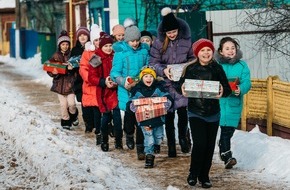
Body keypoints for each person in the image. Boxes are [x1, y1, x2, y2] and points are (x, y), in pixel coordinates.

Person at [179, 38, 232, 188]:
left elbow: (226, 88)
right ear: (197, 53)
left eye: (208, 50)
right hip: (196, 112)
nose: (206, 53)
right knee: (200, 144)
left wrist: (223, 91)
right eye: (202, 50)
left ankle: (204, 176)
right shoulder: (190, 69)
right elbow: (179, 85)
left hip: (213, 113)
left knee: (209, 146)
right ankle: (193, 173)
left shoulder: (217, 68)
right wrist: (181, 88)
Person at [149, 7, 194, 157]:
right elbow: (153, 63)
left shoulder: (186, 41)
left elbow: (192, 58)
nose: (172, 35)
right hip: (166, 84)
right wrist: (163, 70)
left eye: (174, 32)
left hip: (181, 83)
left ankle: (182, 138)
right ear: (165, 33)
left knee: (183, 113)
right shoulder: (158, 43)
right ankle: (171, 146)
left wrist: (186, 68)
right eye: (169, 33)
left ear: (178, 30)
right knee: (168, 116)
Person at [110, 25, 149, 160]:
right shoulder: (120, 53)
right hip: (126, 90)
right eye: (132, 41)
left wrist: (147, 76)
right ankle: (129, 134)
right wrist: (123, 81)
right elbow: (114, 73)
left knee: (141, 120)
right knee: (129, 118)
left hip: (141, 89)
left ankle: (140, 148)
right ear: (127, 41)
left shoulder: (144, 52)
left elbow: (148, 67)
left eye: (137, 40)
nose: (135, 43)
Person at [214, 37, 251, 169]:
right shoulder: (216, 65)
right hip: (218, 103)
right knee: (224, 131)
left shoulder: (242, 66)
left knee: (228, 131)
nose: (230, 51)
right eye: (227, 48)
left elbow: (247, 82)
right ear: (221, 51)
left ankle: (224, 150)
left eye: (233, 48)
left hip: (233, 104)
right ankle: (227, 156)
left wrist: (241, 89)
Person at [128, 66, 173, 168]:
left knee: (158, 137)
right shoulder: (137, 90)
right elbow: (131, 100)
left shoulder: (158, 88)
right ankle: (149, 157)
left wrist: (168, 102)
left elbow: (166, 95)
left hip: (158, 119)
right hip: (145, 119)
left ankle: (157, 145)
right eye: (146, 76)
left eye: (151, 76)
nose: (148, 78)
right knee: (149, 139)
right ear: (141, 78)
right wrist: (132, 106)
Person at [88, 32, 123, 151]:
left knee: (117, 117)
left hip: (116, 91)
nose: (108, 48)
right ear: (100, 47)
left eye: (110, 46)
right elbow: (91, 77)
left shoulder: (117, 56)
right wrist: (104, 81)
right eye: (105, 46)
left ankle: (118, 140)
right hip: (103, 92)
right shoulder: (96, 58)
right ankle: (104, 139)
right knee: (106, 117)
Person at [47, 30, 78, 129]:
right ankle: (65, 121)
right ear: (59, 45)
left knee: (72, 104)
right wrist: (54, 73)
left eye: (67, 44)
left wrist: (73, 70)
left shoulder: (72, 55)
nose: (65, 46)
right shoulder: (55, 56)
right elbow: (49, 68)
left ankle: (73, 115)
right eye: (63, 44)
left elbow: (77, 68)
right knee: (63, 105)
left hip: (70, 85)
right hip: (59, 85)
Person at [79, 24, 102, 144]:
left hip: (102, 86)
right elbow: (83, 68)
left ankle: (101, 131)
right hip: (91, 86)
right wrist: (91, 78)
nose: (98, 42)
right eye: (96, 40)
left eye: (99, 39)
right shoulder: (87, 53)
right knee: (93, 111)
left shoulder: (106, 50)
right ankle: (97, 130)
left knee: (102, 111)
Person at [70, 26, 90, 130]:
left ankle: (93, 122)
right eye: (80, 35)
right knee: (84, 103)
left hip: (90, 79)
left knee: (92, 102)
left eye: (84, 35)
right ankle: (87, 123)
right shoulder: (75, 50)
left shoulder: (92, 48)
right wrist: (71, 67)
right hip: (79, 81)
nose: (82, 37)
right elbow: (71, 65)